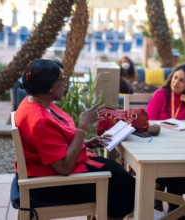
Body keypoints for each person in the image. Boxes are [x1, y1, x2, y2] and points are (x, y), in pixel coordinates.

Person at [15, 59, 135, 220]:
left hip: (46, 170)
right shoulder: (39, 119)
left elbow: (50, 145)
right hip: (48, 185)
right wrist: (83, 127)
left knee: (120, 174)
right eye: (62, 79)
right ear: (49, 85)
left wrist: (84, 143)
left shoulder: (34, 102)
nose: (65, 83)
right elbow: (63, 168)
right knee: (124, 184)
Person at [146, 64, 185, 215]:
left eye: (182, 80)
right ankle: (179, 211)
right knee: (174, 170)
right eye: (175, 77)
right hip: (157, 144)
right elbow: (149, 121)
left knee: (173, 168)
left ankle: (159, 190)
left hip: (181, 147)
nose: (176, 82)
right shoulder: (161, 94)